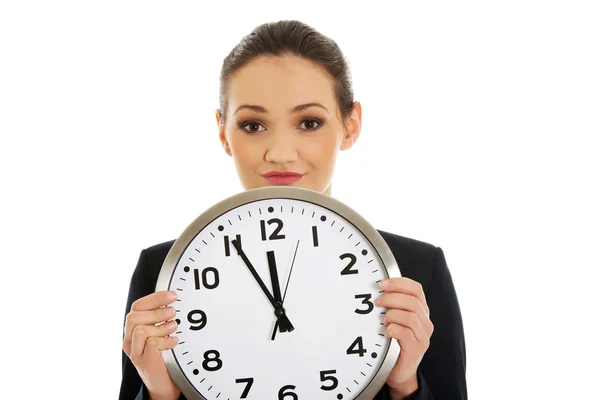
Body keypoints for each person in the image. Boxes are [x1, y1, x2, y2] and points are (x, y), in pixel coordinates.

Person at [119, 20, 467, 400]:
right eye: (253, 125)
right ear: (223, 133)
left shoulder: (418, 271)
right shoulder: (161, 272)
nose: (280, 152)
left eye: (309, 122)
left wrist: (405, 385)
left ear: (350, 126)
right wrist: (159, 392)